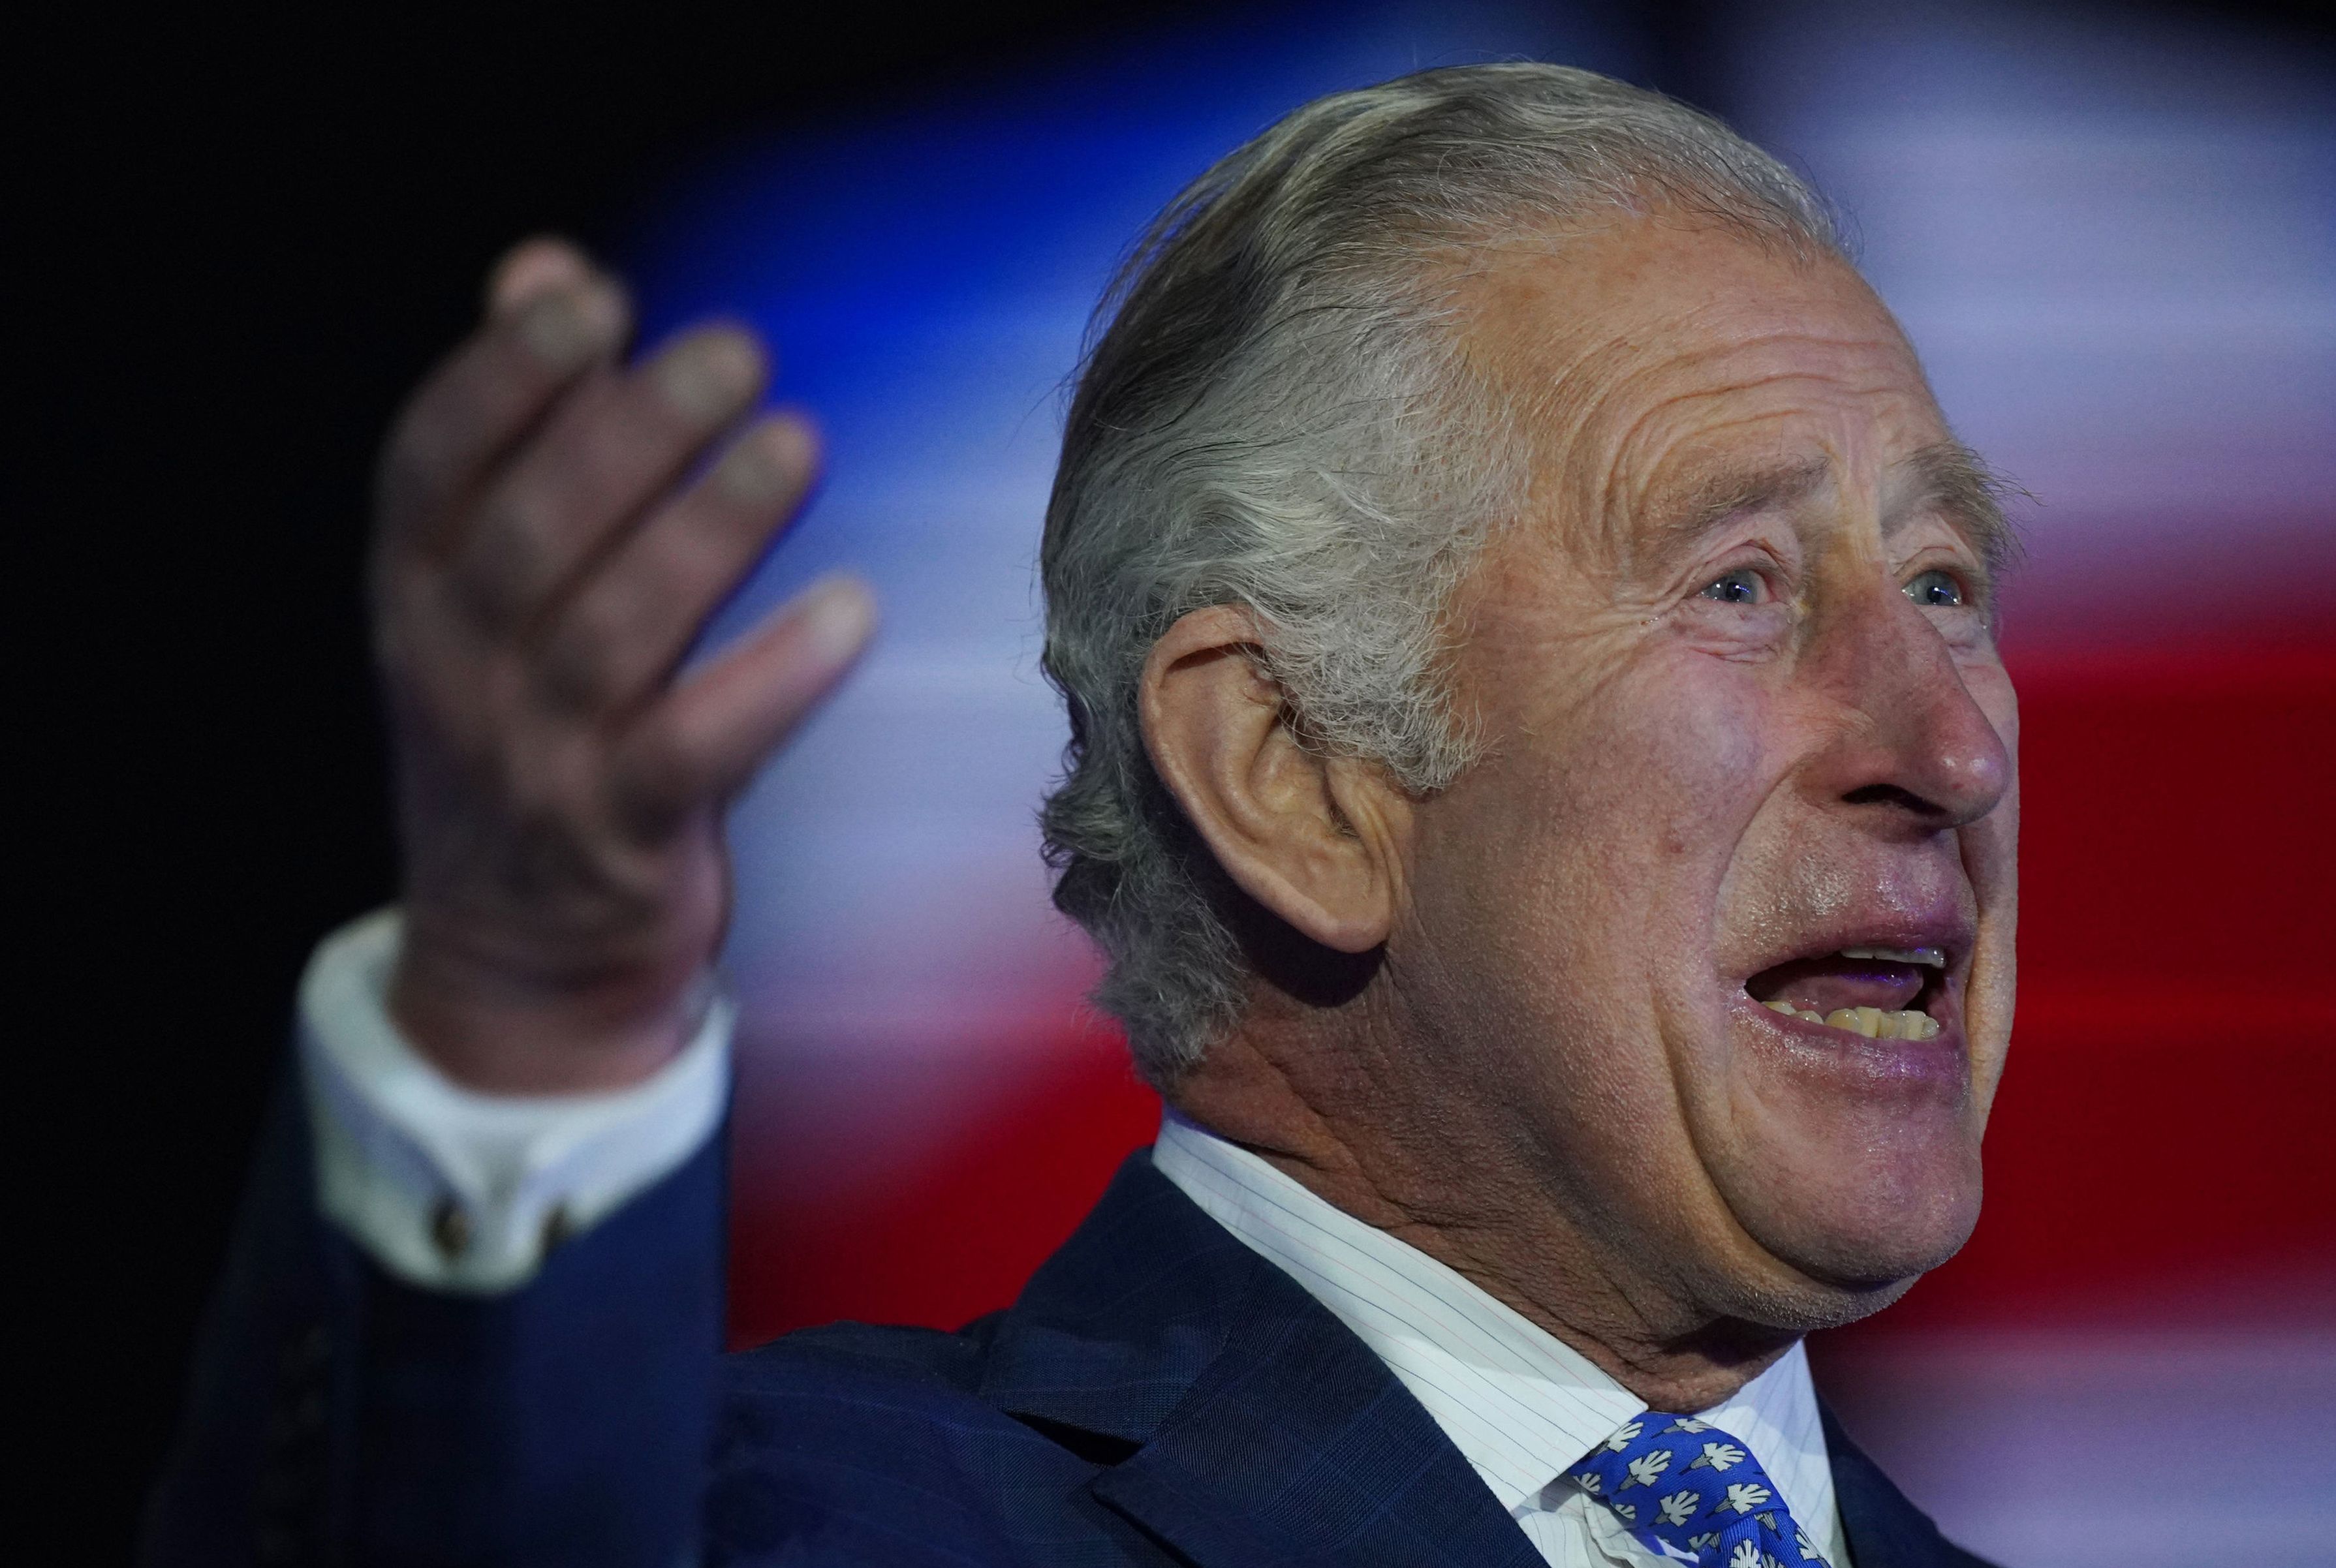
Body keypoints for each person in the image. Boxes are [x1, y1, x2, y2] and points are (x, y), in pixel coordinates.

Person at [146, 64, 2016, 1567]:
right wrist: (529, 1035)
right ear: (1292, 773)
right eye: (1739, 585)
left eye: (1943, 582)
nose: (1952, 748)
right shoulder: (801, 1523)